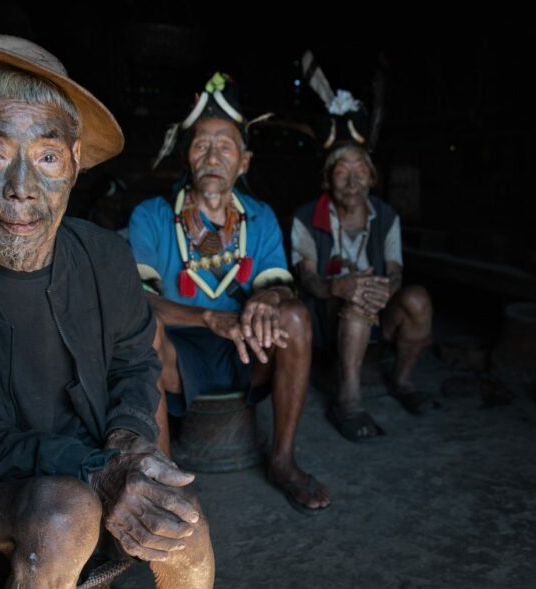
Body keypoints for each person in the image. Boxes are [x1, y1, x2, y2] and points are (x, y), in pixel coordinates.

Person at [0, 35, 214, 589]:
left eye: (47, 157)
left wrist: (125, 445)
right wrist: (92, 471)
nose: (22, 188)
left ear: (73, 165)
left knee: (184, 525)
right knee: (60, 513)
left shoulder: (105, 256)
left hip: (98, 467)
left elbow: (133, 364)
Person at [128, 73, 331, 514]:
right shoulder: (152, 216)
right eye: (201, 144)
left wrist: (268, 299)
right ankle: (164, 478)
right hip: (177, 353)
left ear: (244, 162)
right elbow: (138, 300)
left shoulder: (258, 217)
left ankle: (282, 460)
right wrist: (206, 318)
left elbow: (279, 284)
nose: (212, 155)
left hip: (248, 348)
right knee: (139, 332)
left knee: (295, 316)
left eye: (225, 146)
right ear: (188, 155)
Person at [292, 89, 434, 442]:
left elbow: (395, 268)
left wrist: (387, 289)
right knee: (354, 295)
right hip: (327, 319)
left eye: (361, 171)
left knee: (417, 299)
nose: (352, 181)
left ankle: (402, 380)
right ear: (327, 180)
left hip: (378, 312)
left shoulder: (386, 217)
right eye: (342, 171)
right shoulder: (306, 217)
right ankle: (349, 401)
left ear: (372, 179)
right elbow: (306, 276)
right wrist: (337, 287)